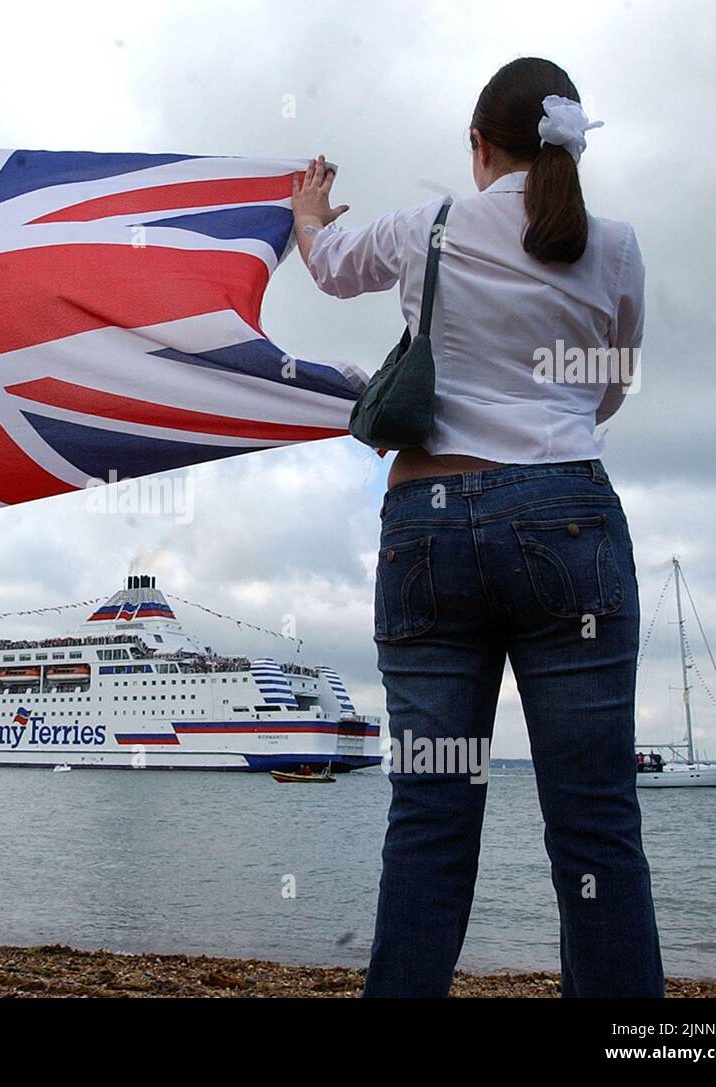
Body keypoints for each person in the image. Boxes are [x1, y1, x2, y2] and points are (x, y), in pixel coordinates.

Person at [293, 57, 663, 997]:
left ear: (477, 144)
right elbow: (608, 390)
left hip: (429, 534)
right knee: (593, 827)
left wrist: (307, 211)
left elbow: (331, 271)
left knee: (430, 819)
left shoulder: (429, 228)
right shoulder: (614, 245)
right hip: (567, 523)